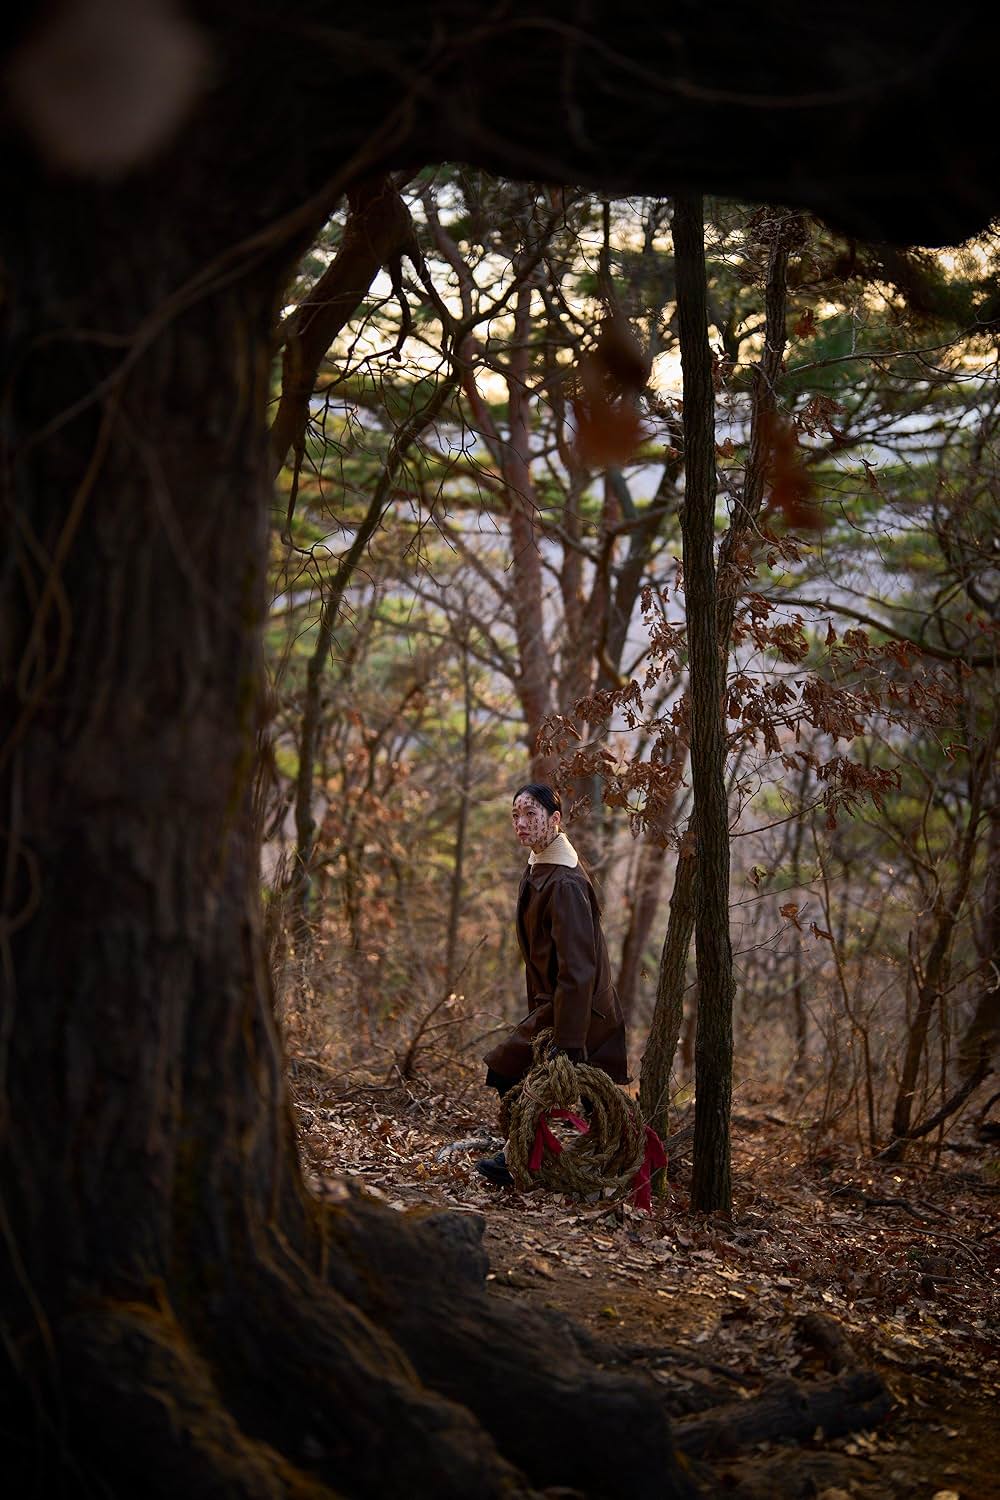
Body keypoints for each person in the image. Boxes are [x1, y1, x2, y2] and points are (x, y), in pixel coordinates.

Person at [476, 783, 628, 1187]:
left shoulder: (564, 882)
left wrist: (569, 1039)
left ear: (555, 819)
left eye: (531, 815)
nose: (521, 823)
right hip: (559, 1004)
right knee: (566, 1092)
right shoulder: (541, 865)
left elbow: (578, 970)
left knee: (507, 1071)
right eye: (515, 815)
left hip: (580, 1010)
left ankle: (531, 1161)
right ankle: (529, 1157)